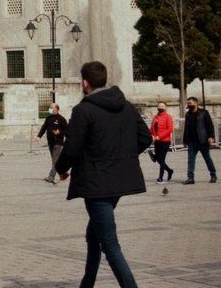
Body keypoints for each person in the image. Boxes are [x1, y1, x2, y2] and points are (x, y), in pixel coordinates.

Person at [56, 61, 151, 288]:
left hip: (96, 183)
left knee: (109, 244)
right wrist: (122, 157)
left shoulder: (84, 110)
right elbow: (145, 137)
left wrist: (61, 169)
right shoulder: (125, 106)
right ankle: (86, 283)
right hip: (118, 181)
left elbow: (72, 147)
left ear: (85, 82)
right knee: (94, 235)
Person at [182, 96, 217, 184]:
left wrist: (211, 137)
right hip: (191, 141)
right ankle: (190, 178)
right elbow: (186, 128)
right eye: (188, 103)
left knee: (207, 158)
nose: (189, 105)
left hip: (202, 140)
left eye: (190, 103)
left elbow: (210, 125)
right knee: (190, 160)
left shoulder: (204, 113)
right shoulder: (188, 114)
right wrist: (185, 140)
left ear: (196, 103)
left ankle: (213, 175)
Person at [38, 102, 67, 185]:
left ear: (57, 109)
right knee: (55, 160)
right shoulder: (49, 118)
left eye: (52, 108)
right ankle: (63, 174)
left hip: (58, 142)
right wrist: (39, 136)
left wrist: (60, 132)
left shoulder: (61, 119)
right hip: (50, 142)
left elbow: (68, 130)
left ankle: (51, 177)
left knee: (55, 161)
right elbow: (44, 127)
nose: (50, 109)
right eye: (50, 107)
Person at [148, 102, 174, 183]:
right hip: (157, 141)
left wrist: (160, 136)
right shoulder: (155, 117)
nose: (160, 107)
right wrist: (151, 135)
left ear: (166, 108)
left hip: (165, 141)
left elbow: (170, 129)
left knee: (161, 159)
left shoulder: (168, 117)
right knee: (159, 160)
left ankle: (160, 178)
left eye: (162, 106)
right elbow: (152, 128)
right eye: (159, 106)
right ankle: (169, 171)